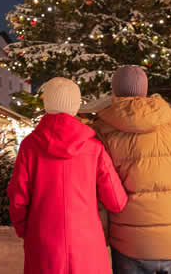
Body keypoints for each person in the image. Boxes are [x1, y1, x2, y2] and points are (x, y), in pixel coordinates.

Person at [93, 66, 171, 274]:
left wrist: (103, 234)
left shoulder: (102, 129)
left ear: (115, 90)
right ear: (145, 90)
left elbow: (101, 192)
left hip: (128, 241)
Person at [7, 77, 128, 274]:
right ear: (75, 105)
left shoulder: (29, 146)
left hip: (43, 242)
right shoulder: (94, 147)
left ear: (47, 103)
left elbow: (18, 196)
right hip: (86, 244)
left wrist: (25, 230)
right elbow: (116, 200)